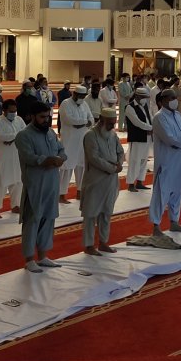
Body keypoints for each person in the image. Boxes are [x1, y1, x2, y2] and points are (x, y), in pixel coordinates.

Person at [15, 102, 67, 271]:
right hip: (35, 185)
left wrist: (61, 158)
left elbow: (61, 150)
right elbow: (29, 157)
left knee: (48, 218)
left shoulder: (51, 132)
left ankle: (43, 256)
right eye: (42, 117)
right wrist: (47, 160)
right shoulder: (24, 135)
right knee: (32, 221)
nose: (46, 120)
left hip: (52, 184)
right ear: (32, 116)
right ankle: (29, 259)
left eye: (48, 116)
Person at [80, 108, 124, 255]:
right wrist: (112, 168)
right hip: (95, 181)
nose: (112, 126)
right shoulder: (90, 135)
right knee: (90, 214)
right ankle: (89, 246)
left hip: (110, 181)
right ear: (101, 120)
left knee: (106, 213)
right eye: (110, 123)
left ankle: (103, 242)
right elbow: (94, 158)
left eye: (114, 123)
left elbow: (120, 152)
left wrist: (119, 164)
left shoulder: (113, 135)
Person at [150, 89, 181, 235]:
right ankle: (156, 226)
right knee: (161, 193)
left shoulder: (178, 116)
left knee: (176, 193)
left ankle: (174, 222)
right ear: (163, 101)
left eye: (175, 97)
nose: (175, 100)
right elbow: (170, 140)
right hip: (166, 163)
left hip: (179, 162)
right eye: (171, 98)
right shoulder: (159, 117)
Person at [0, 99, 26, 218]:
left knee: (18, 182)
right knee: (1, 183)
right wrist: (15, 137)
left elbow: (25, 133)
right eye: (11, 111)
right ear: (4, 111)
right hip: (4, 157)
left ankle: (16, 205)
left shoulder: (19, 120)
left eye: (15, 111)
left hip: (17, 156)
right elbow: (1, 136)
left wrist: (12, 139)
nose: (13, 113)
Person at [58, 84, 94, 203]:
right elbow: (69, 120)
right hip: (69, 140)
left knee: (81, 166)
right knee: (66, 167)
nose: (81, 98)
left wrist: (82, 123)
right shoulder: (65, 104)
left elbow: (91, 119)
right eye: (80, 96)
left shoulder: (84, 104)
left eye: (83, 96)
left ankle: (80, 191)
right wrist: (85, 122)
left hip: (82, 140)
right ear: (74, 94)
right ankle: (61, 195)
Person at [124, 86, 153, 193]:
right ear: (137, 96)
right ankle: (131, 184)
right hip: (137, 138)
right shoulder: (129, 107)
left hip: (147, 137)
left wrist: (153, 126)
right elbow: (137, 122)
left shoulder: (145, 105)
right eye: (143, 97)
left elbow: (150, 118)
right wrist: (150, 128)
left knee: (143, 160)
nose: (144, 99)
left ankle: (140, 182)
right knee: (135, 161)